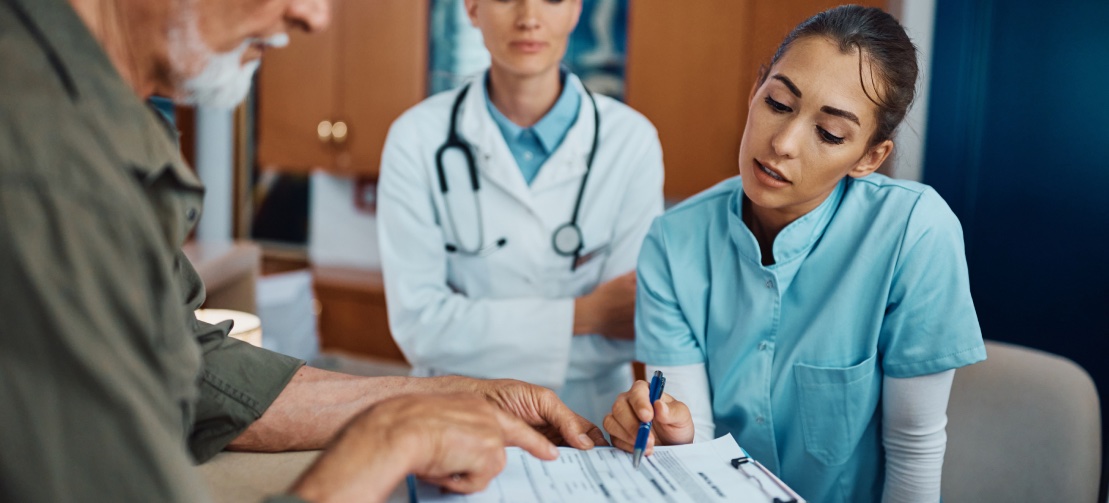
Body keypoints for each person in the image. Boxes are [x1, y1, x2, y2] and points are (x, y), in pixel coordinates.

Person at [0, 0, 605, 501]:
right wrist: (387, 444)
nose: (314, 16)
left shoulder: (93, 113)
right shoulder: (42, 157)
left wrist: (434, 398)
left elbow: (183, 358)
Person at [603, 6, 986, 503]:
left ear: (869, 158)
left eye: (829, 134)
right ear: (755, 91)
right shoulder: (674, 242)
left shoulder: (914, 233)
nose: (781, 143)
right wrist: (674, 436)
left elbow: (913, 452)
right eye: (779, 103)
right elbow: (691, 438)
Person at [377, 0, 664, 428]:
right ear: (471, 9)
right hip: (458, 415)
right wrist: (584, 315)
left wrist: (472, 329)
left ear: (575, 10)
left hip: (589, 414)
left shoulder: (632, 142)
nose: (529, 16)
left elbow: (621, 332)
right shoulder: (415, 139)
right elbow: (421, 329)